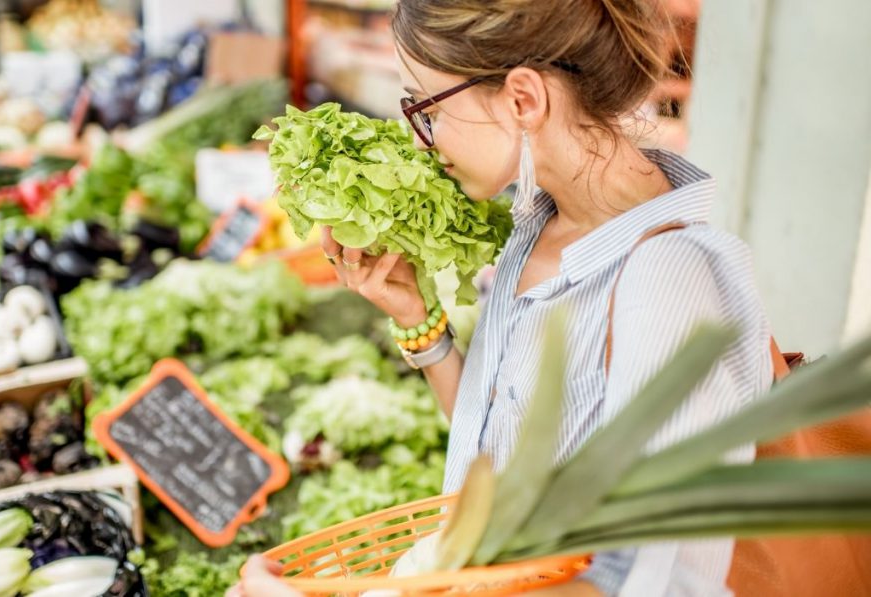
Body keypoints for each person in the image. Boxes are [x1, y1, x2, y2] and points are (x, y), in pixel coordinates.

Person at [230, 0, 774, 594]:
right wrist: (421, 322)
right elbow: (498, 455)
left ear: (523, 100)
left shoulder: (671, 280)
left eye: (426, 108)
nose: (421, 143)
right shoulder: (538, 223)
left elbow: (640, 580)